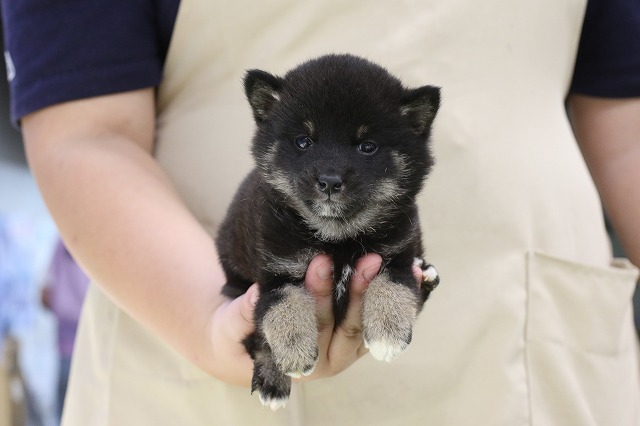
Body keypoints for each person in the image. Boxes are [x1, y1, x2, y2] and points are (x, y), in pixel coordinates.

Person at [2, 0, 639, 424]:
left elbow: (626, 118)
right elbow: (88, 133)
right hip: (202, 316)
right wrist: (215, 321)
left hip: (528, 345)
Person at [41, 238, 89, 422]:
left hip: (69, 340)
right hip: (81, 339)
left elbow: (46, 293)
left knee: (67, 408)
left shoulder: (63, 242)